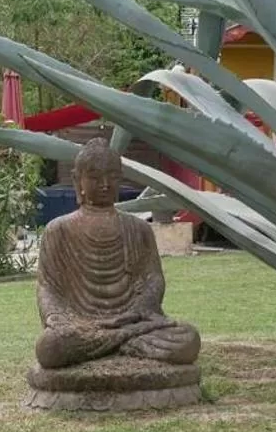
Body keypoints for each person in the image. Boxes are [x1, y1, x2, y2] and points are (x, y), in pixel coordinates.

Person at [34, 138, 201, 370]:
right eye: (94, 177)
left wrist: (140, 309)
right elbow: (47, 286)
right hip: (82, 326)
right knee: (50, 347)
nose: (104, 184)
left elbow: (154, 279)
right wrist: (57, 318)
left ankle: (113, 344)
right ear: (77, 181)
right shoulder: (58, 230)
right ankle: (124, 344)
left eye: (112, 176)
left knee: (188, 339)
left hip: (132, 322)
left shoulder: (138, 228)